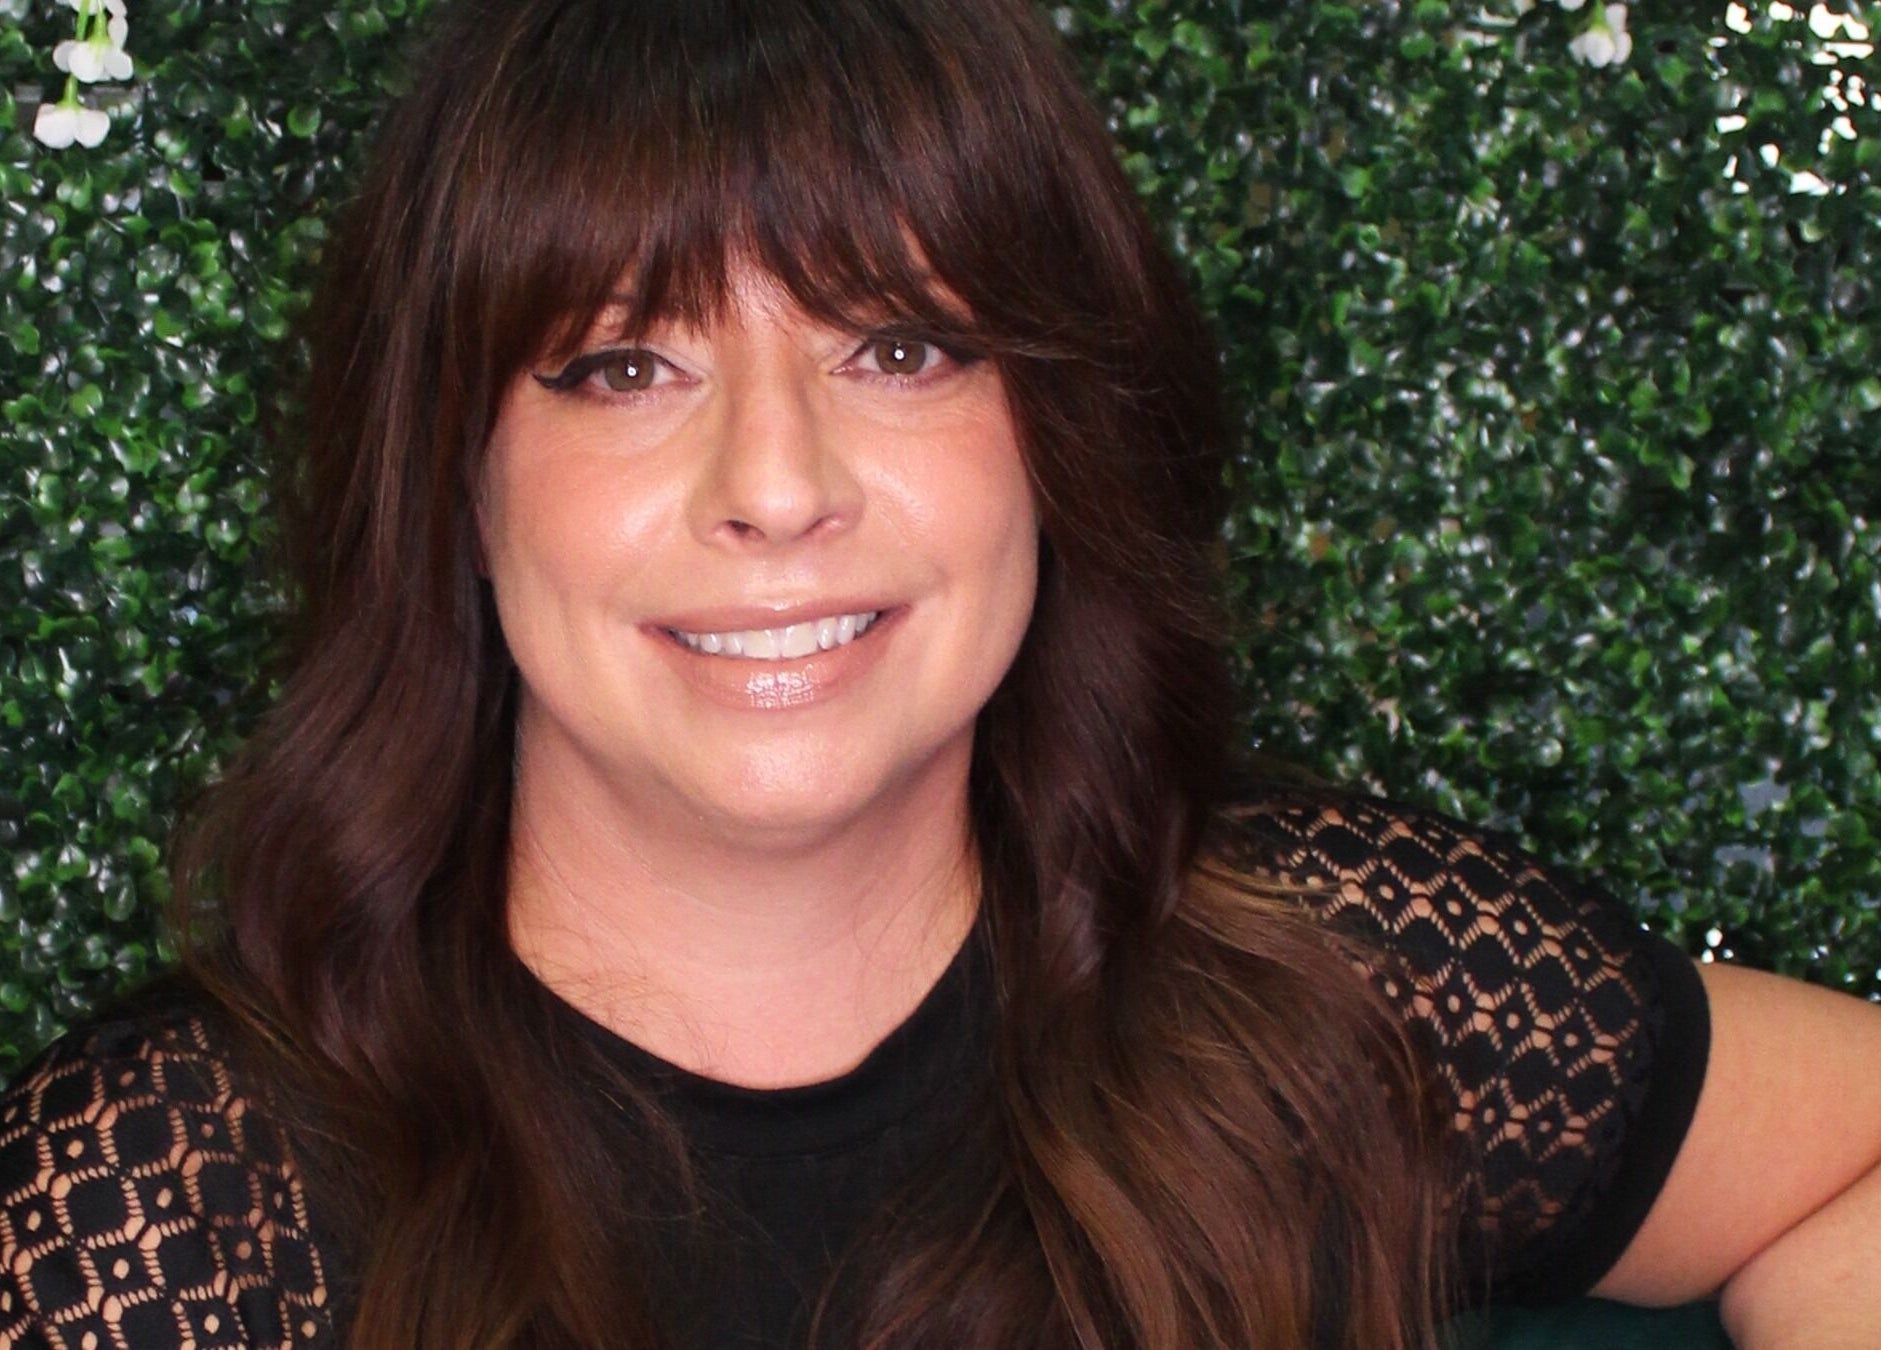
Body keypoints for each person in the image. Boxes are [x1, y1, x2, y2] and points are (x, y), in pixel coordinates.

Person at [2, 0, 1878, 1346]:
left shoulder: (1317, 986)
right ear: (456, 481)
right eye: (624, 365)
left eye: (898, 347)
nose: (776, 485)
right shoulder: (157, 1215)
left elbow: (1843, 1163)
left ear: (1053, 431)